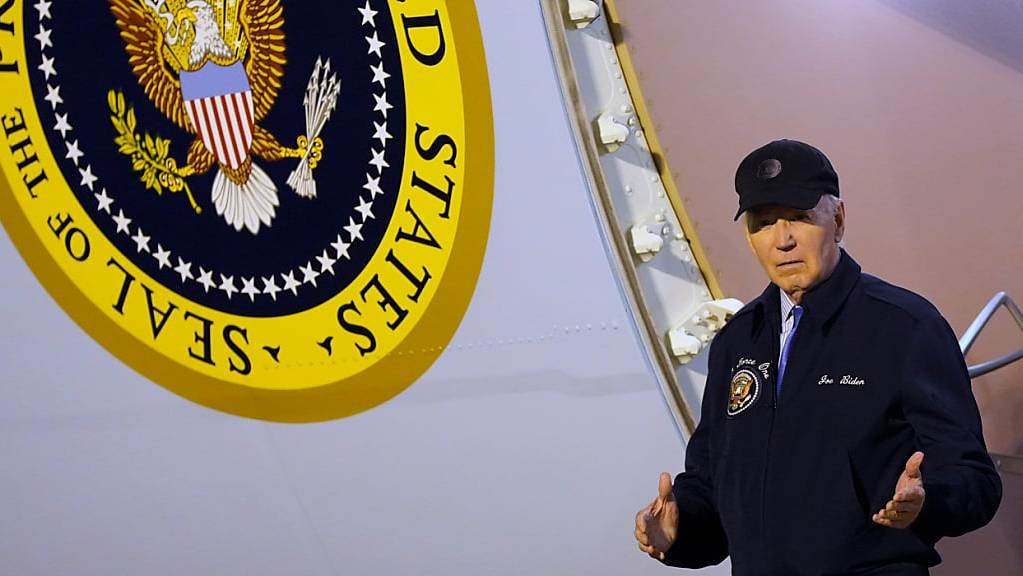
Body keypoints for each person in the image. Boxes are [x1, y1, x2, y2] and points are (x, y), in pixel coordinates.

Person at [634, 139, 1002, 575]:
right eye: (764, 223)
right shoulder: (738, 340)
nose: (783, 240)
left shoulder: (905, 326)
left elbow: (974, 480)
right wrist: (680, 529)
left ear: (838, 220)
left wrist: (927, 500)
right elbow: (713, 485)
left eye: (800, 218)